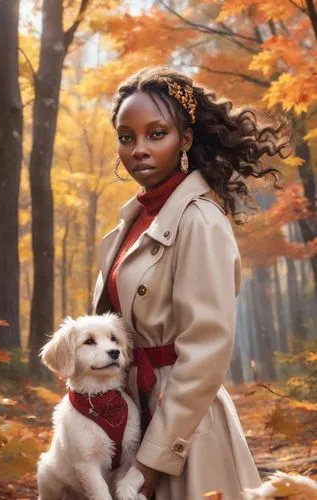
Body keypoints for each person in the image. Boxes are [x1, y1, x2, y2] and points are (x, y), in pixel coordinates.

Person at [92, 66, 291, 500]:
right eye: (127, 137)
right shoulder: (132, 222)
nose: (139, 149)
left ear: (185, 139)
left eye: (156, 134)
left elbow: (205, 353)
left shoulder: (200, 220)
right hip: (131, 414)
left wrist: (150, 464)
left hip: (184, 428)